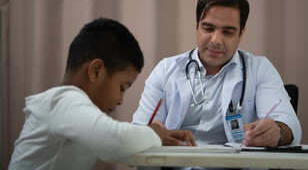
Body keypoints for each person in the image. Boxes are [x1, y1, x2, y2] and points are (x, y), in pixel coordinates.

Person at [9, 18, 196, 170]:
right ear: (96, 70)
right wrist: (153, 133)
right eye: (122, 87)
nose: (121, 100)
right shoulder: (64, 100)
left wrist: (159, 136)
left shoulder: (70, 110)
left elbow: (114, 139)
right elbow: (117, 142)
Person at [133, 0, 302, 147]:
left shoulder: (259, 69)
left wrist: (278, 132)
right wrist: (150, 131)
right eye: (208, 28)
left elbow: (290, 124)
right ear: (196, 27)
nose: (216, 40)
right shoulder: (166, 69)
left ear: (241, 33)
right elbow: (139, 130)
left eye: (228, 32)